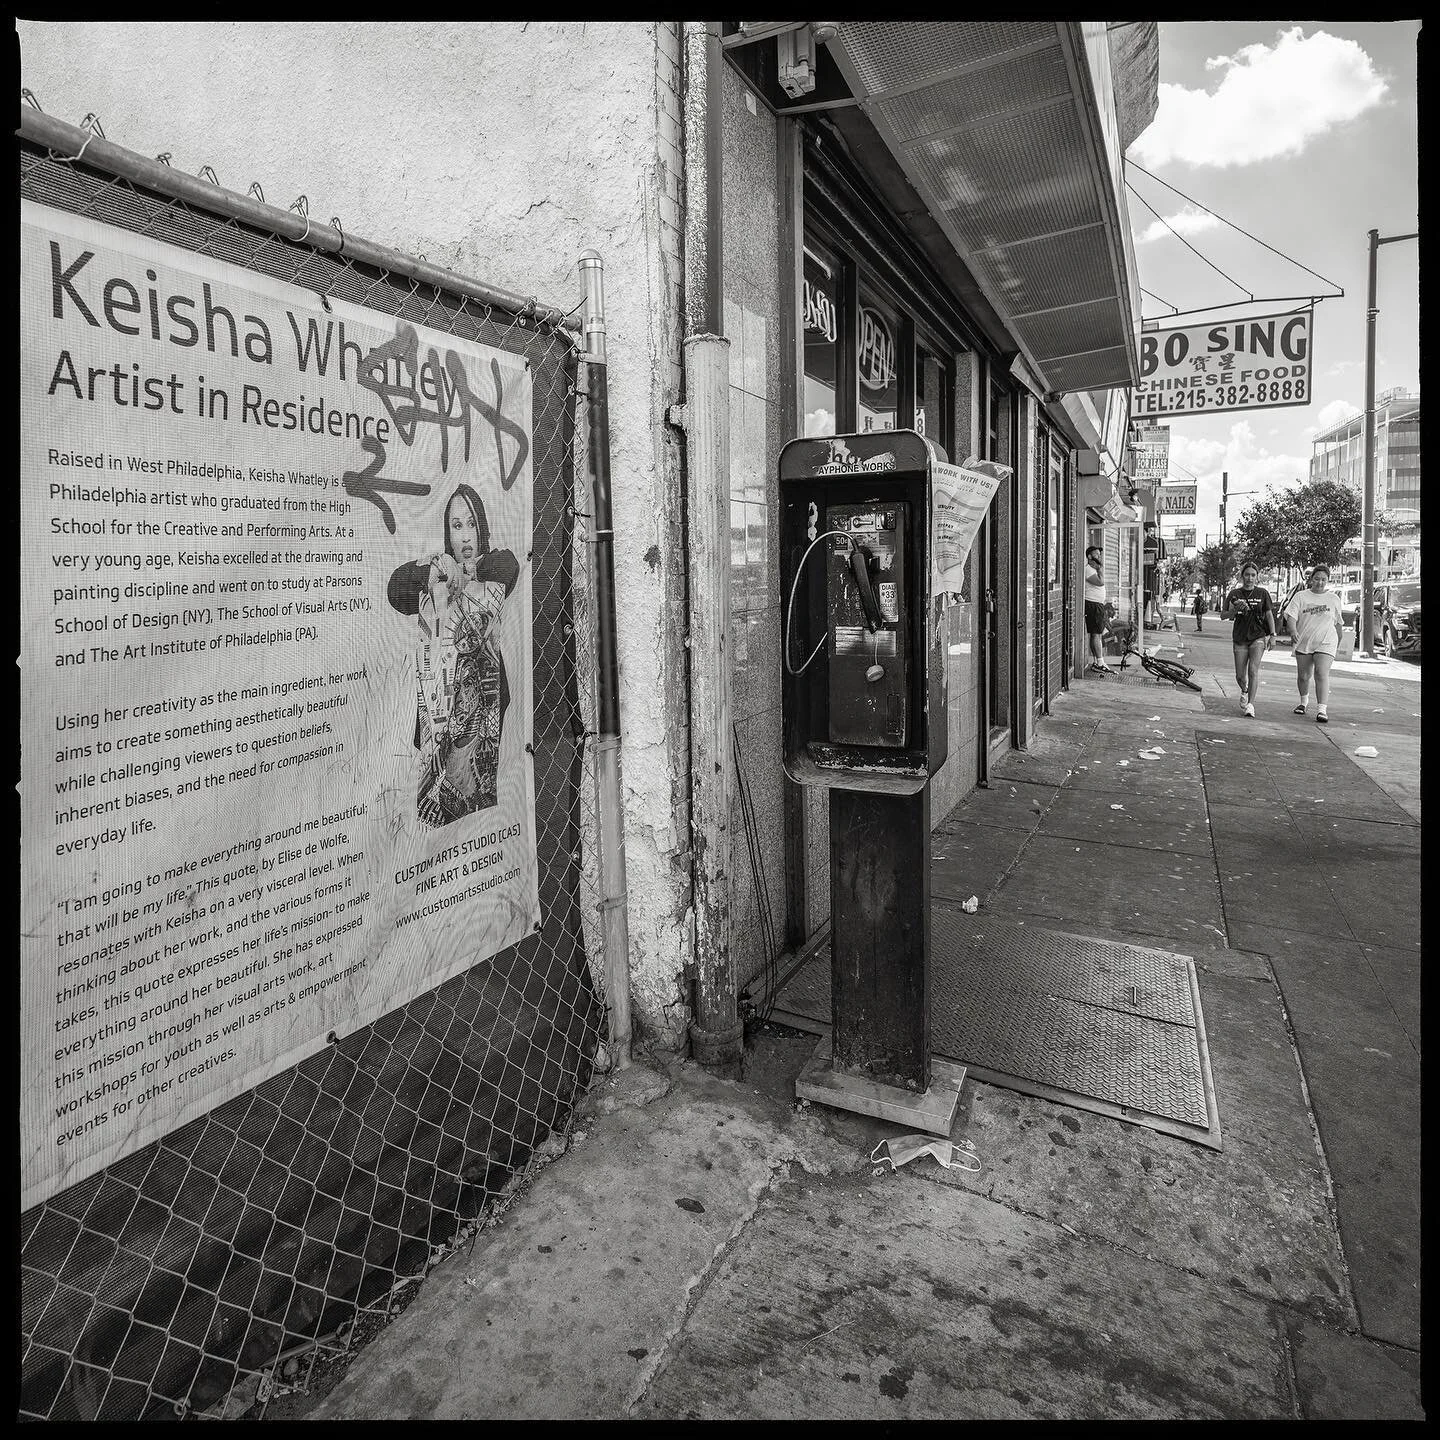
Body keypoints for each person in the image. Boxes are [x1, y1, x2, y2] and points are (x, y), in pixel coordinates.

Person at [388, 482, 520, 826]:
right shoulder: (438, 574)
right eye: (456, 525)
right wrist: (431, 571)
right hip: (442, 709)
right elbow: (395, 589)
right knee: (438, 823)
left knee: (478, 814)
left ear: (483, 528)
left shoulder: (494, 566)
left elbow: (508, 566)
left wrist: (468, 572)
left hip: (484, 712)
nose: (465, 536)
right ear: (447, 531)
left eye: (472, 524)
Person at [1281, 563, 1344, 723]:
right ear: (1311, 579)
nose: (1320, 582)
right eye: (1317, 579)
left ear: (1328, 580)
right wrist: (1293, 631)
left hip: (1327, 641)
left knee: (1321, 673)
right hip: (1304, 640)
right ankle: (1303, 702)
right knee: (1303, 676)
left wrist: (1338, 642)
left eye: (1323, 579)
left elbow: (1338, 623)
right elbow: (1291, 617)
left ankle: (1322, 710)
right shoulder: (1301, 596)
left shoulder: (1333, 599)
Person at [1221, 561, 1276, 717]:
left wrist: (1272, 635)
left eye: (1253, 575)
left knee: (1253, 670)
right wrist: (1234, 610)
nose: (1250, 578)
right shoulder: (1234, 594)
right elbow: (1223, 615)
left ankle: (1251, 705)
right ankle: (1244, 690)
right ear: (1242, 576)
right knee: (1240, 675)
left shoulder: (1263, 594)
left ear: (1257, 577)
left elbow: (1269, 615)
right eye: (1247, 575)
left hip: (1258, 637)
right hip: (1239, 637)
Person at [1083, 544, 1114, 674]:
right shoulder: (1088, 570)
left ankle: (1096, 661)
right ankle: (1100, 662)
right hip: (1093, 605)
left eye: (1099, 554)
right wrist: (1100, 569)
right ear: (1089, 556)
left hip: (1096, 604)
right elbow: (1100, 582)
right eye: (1096, 554)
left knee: (1095, 634)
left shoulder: (1093, 569)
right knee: (1097, 634)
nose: (1099, 557)